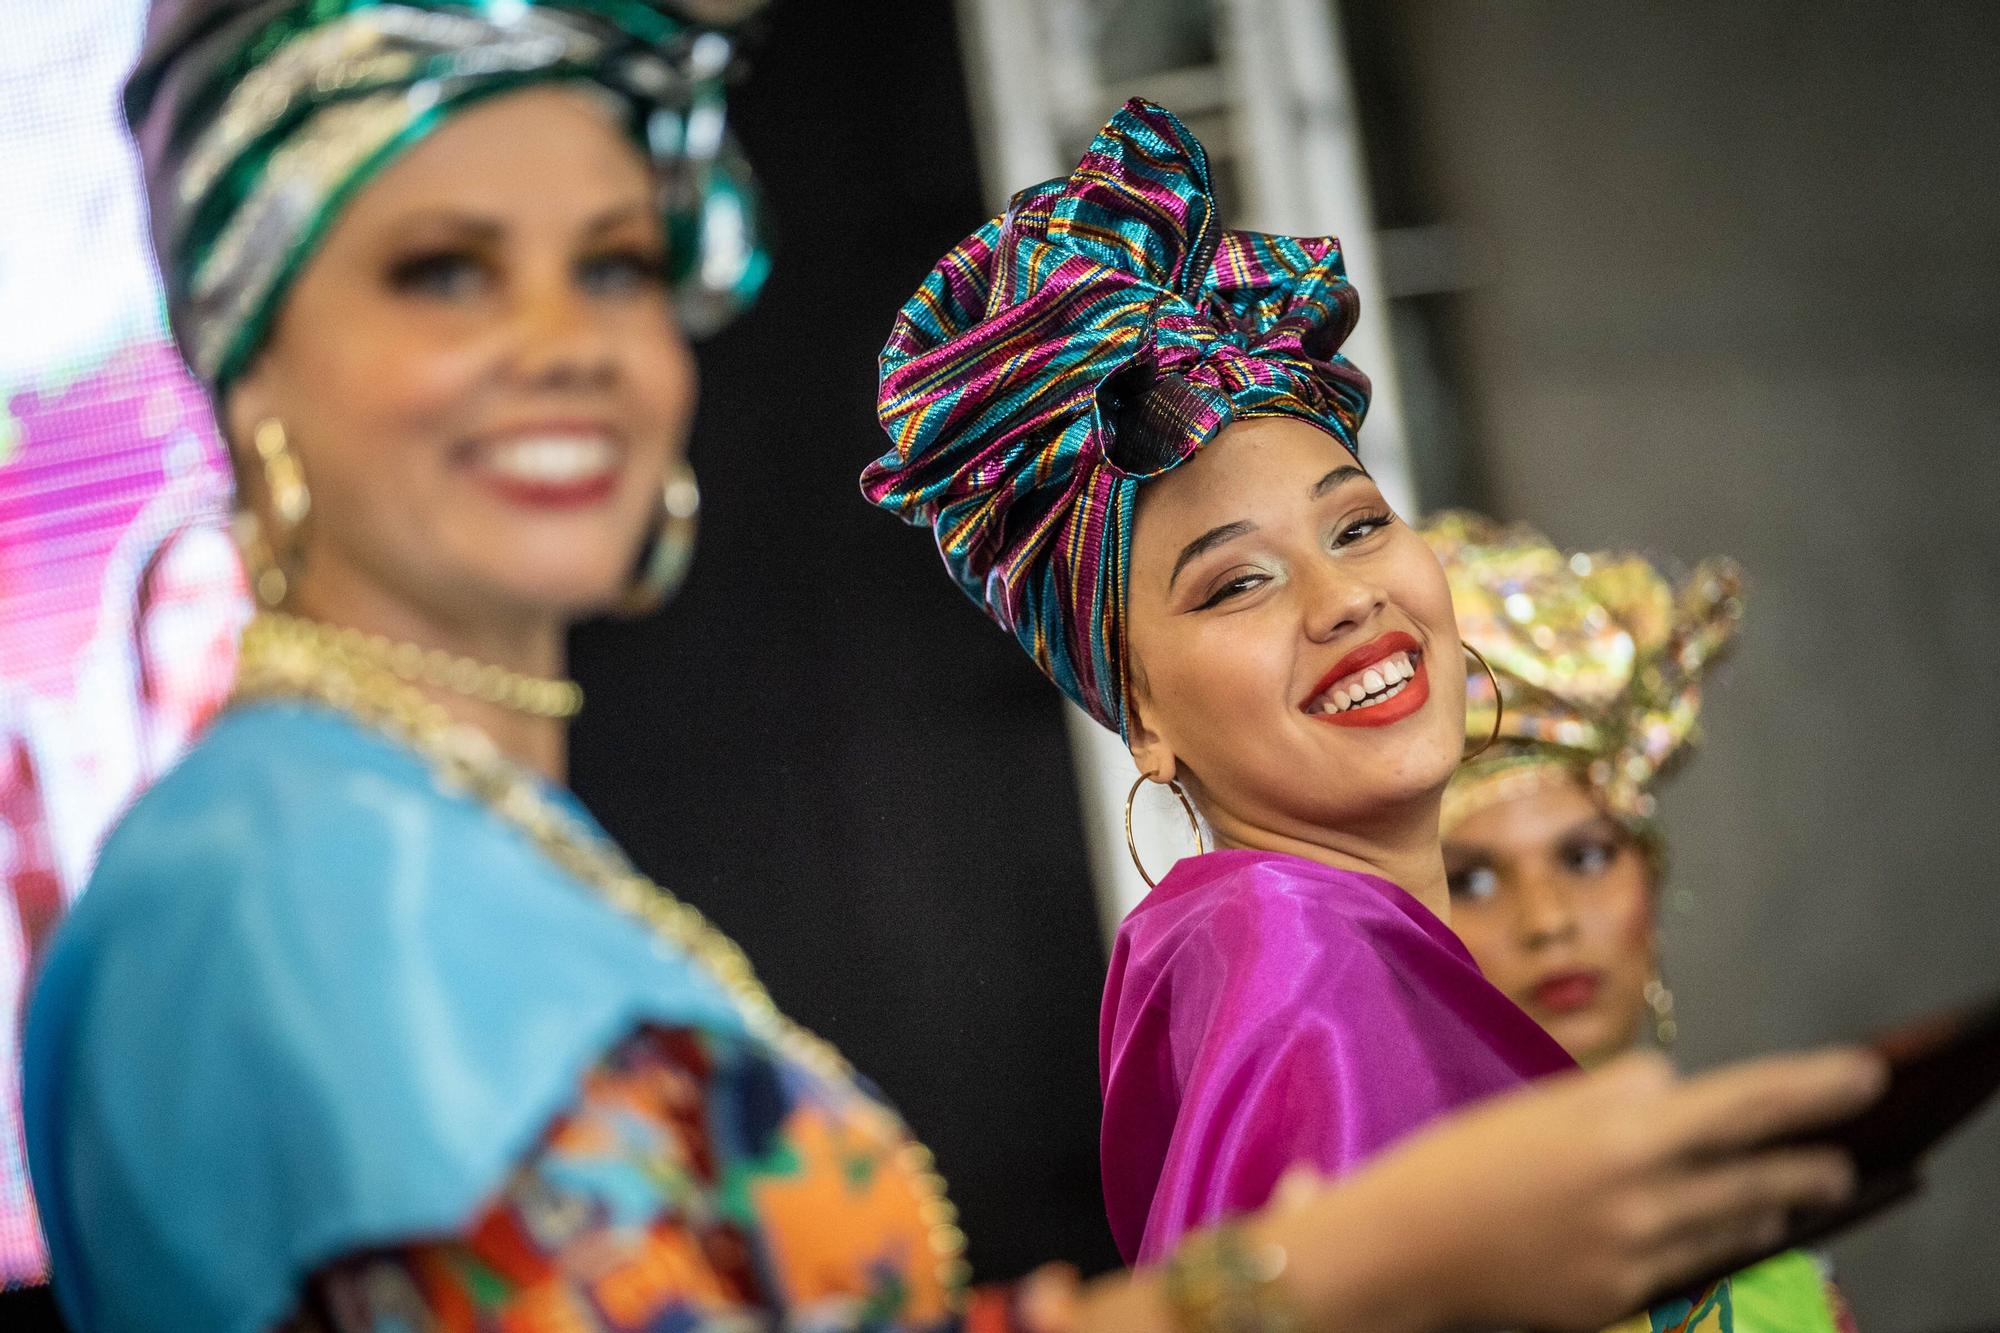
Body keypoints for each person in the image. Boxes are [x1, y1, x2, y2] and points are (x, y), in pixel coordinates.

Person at [24, 13, 1879, 1332]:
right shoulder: (266, 880)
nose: (562, 344)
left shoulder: (458, 848)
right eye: (443, 271)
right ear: (242, 344)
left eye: (613, 265)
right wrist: (1333, 1287)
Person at [863, 97, 1840, 1330]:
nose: (1341, 600)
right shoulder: (1300, 963)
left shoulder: (1287, 957)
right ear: (1141, 715)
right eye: (1236, 582)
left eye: (1356, 524)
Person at [1425, 510, 1857, 1331]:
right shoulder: (1410, 1256)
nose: (1548, 921)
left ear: (1649, 886)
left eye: (1585, 858)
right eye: (1473, 879)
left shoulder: (1764, 1215)